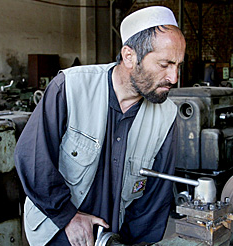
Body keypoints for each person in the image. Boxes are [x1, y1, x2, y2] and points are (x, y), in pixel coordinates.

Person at [14, 6, 186, 246]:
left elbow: (154, 198)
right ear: (129, 56)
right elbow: (33, 159)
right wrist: (67, 216)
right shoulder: (70, 87)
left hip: (114, 238)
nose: (174, 77)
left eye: (178, 65)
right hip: (58, 228)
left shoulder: (166, 116)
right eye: (164, 65)